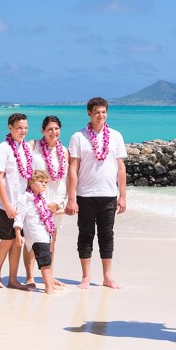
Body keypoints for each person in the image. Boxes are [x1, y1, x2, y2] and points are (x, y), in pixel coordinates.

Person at [65, 97, 127, 289]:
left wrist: (123, 195)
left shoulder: (116, 136)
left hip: (109, 194)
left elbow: (121, 168)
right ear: (89, 114)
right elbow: (73, 168)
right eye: (97, 112)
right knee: (85, 234)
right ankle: (85, 276)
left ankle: (107, 277)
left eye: (104, 112)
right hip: (85, 195)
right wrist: (71, 198)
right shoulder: (78, 137)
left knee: (106, 235)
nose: (101, 115)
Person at [23, 115, 70, 289]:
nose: (53, 132)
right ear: (43, 131)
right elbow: (25, 173)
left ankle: (48, 275)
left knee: (51, 240)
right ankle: (29, 276)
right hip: (35, 199)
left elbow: (64, 181)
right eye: (49, 129)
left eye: (56, 128)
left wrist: (57, 203)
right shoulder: (32, 146)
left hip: (54, 201)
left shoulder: (63, 152)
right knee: (32, 238)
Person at [0, 112, 32, 290]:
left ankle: (13, 279)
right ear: (10, 128)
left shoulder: (26, 149)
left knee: (17, 242)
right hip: (4, 204)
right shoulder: (3, 149)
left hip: (21, 204)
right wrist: (6, 204)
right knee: (6, 241)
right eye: (19, 128)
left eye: (25, 128)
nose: (23, 131)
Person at [14, 170, 63, 295]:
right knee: (45, 260)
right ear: (30, 182)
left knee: (47, 258)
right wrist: (18, 234)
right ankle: (48, 287)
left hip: (44, 233)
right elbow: (19, 217)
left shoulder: (41, 198)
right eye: (40, 182)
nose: (44, 185)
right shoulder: (25, 198)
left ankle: (49, 284)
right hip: (35, 234)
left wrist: (67, 211)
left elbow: (48, 212)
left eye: (46, 182)